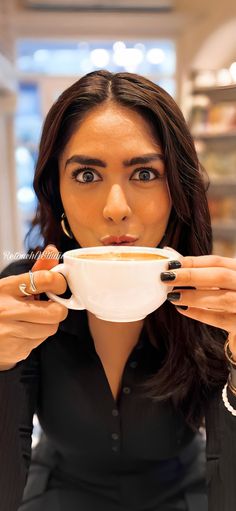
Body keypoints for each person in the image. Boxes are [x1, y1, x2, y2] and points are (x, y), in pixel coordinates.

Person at [0, 70, 236, 511]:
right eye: (86, 175)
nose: (116, 209)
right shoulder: (23, 294)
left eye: (144, 173)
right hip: (58, 490)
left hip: (182, 492)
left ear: (176, 194)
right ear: (58, 196)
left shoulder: (215, 300)